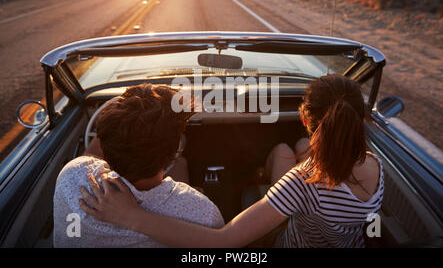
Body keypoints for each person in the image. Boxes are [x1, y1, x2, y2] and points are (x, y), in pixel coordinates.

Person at [79, 74, 383, 248]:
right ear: (359, 120)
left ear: (304, 118)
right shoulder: (375, 165)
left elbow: (225, 242)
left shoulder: (301, 183)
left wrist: (131, 217)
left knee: (279, 156)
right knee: (295, 148)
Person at [53, 84, 224, 248]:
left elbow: (90, 158)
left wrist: (118, 128)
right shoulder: (202, 214)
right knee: (182, 165)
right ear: (174, 151)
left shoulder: (71, 177)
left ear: (105, 140)